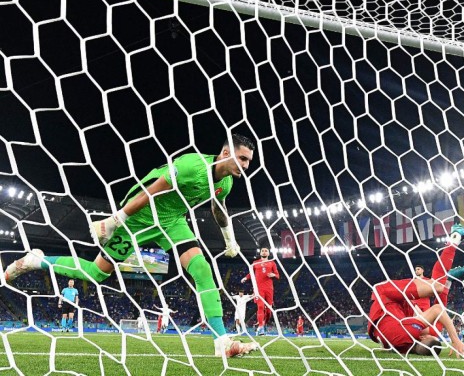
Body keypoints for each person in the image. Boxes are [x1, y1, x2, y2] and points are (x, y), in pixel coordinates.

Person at [5, 134, 259, 358]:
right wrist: (115, 221)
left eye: (249, 161)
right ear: (226, 153)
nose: (246, 166)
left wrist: (230, 239)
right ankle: (35, 260)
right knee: (95, 274)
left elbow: (218, 207)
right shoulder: (192, 166)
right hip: (138, 217)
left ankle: (222, 342)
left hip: (171, 222)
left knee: (202, 269)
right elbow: (149, 192)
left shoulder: (225, 182)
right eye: (242, 158)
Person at [367, 225, 464, 356]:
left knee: (436, 287)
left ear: (422, 339)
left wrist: (455, 340)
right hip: (397, 308)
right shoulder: (401, 347)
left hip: (386, 295)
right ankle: (447, 281)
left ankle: (456, 236)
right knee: (435, 328)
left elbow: (438, 309)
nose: (436, 337)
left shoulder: (411, 334)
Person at [241, 247, 279, 335]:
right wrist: (245, 278)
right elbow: (251, 273)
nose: (264, 252)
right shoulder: (255, 263)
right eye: (263, 251)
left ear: (268, 253)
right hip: (258, 289)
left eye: (266, 251)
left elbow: (277, 275)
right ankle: (261, 327)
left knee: (269, 311)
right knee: (261, 307)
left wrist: (273, 274)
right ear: (260, 253)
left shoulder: (272, 263)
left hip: (269, 289)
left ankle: (262, 324)